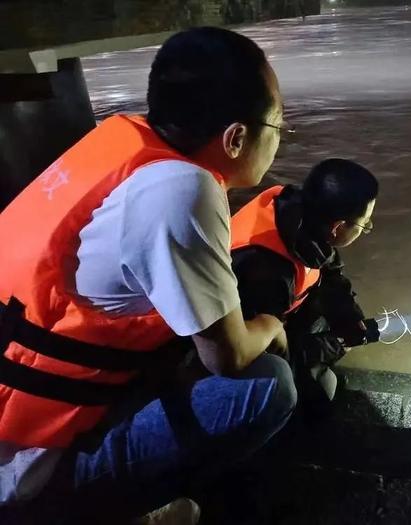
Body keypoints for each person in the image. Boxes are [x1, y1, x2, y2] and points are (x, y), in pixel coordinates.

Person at [0, 27, 296, 524]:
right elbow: (229, 356)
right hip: (20, 457)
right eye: (280, 127)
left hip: (15, 390)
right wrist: (272, 326)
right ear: (237, 136)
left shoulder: (119, 143)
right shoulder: (182, 191)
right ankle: (88, 508)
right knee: (267, 387)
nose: (281, 140)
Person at [229, 158, 379, 414]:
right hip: (251, 337)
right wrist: (338, 343)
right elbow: (269, 349)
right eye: (364, 224)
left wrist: (351, 319)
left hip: (279, 309)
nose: (366, 228)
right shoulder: (267, 269)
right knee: (323, 392)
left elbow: (330, 271)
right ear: (338, 227)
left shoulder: (300, 212)